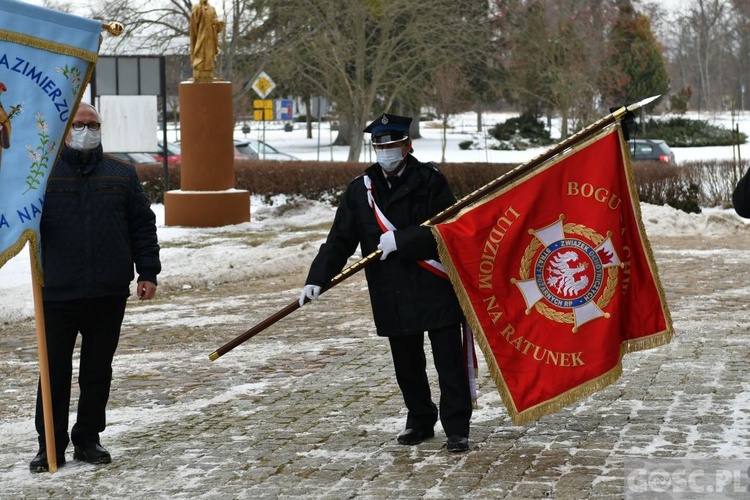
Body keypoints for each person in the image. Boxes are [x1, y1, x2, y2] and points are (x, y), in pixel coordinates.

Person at [299, 113, 472, 452]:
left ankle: (457, 428)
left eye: (393, 145)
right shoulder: (360, 191)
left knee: (447, 361)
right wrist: (316, 278)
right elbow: (339, 241)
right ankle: (420, 420)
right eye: (380, 146)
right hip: (391, 288)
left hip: (434, 283)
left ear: (407, 146)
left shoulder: (431, 181)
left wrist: (403, 241)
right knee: (407, 365)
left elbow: (449, 228)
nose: (386, 151)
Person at [30, 102, 161, 472]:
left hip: (108, 290)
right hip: (56, 290)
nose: (87, 130)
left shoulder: (121, 173)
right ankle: (50, 445)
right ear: (66, 129)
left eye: (93, 124)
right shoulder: (43, 174)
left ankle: (88, 438)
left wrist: (147, 271)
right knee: (52, 370)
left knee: (97, 370)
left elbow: (142, 225)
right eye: (79, 124)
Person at [189, 0, 225, 81]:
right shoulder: (196, 7)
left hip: (210, 38)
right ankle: (199, 74)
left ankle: (209, 74)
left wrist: (219, 25)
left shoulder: (212, 9)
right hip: (201, 37)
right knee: (200, 55)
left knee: (209, 57)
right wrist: (200, 8)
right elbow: (194, 22)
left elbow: (215, 24)